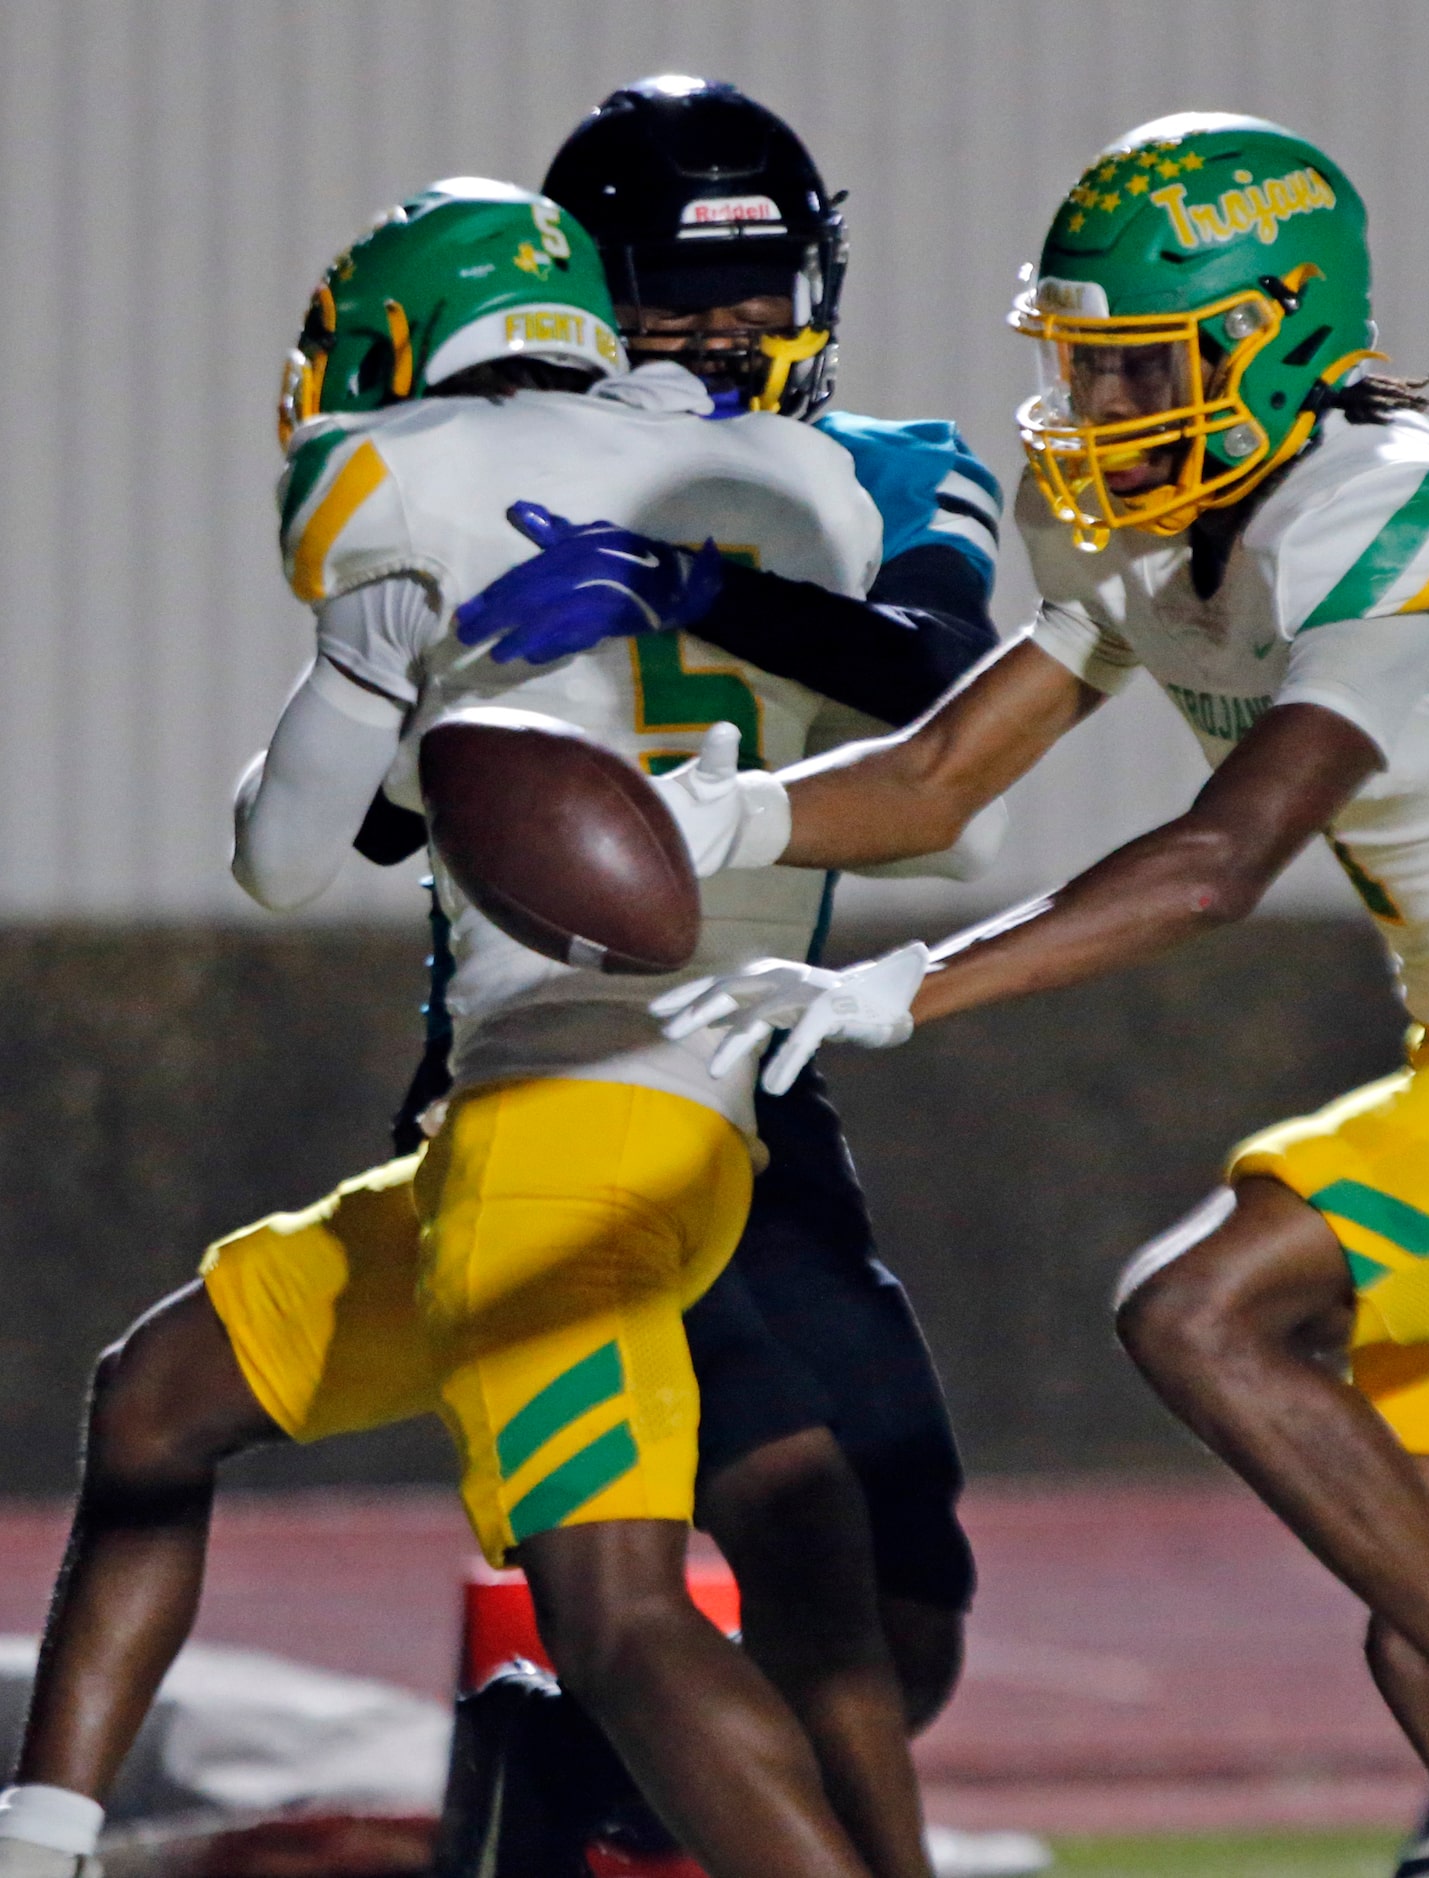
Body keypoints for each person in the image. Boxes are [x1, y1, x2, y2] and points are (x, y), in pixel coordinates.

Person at [461, 113, 1429, 1878]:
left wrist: (909, 984)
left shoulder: (1393, 507)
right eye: (1083, 358)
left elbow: (1225, 861)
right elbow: (935, 779)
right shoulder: (1149, 524)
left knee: (1199, 1307)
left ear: (1279, 330)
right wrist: (708, 812)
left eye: (1139, 357)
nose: (1099, 399)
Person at [0, 179, 1003, 1878]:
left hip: (567, 1123)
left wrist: (354, 674)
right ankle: (40, 1843)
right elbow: (930, 745)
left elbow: (287, 858)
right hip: (675, 1122)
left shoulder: (404, 481)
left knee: (617, 1614)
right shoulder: (822, 482)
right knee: (163, 1397)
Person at [383, 80, 1010, 1877]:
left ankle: (575, 1769)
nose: (732, 333)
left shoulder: (887, 467)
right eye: (677, 292)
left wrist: (676, 581)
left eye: (758, 287)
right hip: (554, 1061)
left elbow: (931, 684)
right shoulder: (496, 475)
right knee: (789, 1532)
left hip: (761, 1071)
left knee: (912, 1603)